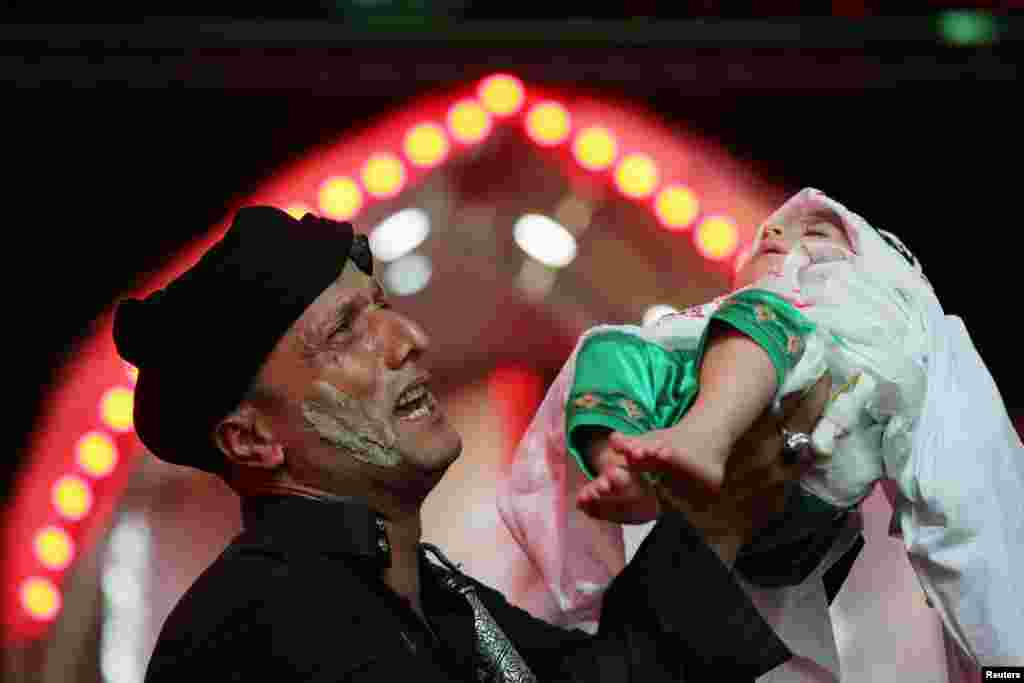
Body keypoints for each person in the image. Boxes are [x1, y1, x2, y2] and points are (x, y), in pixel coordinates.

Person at [112, 206, 831, 683]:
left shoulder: (430, 590)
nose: (410, 341)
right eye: (344, 331)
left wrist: (732, 496)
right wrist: (714, 521)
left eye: (383, 309)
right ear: (251, 437)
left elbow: (605, 673)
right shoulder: (256, 627)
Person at [497, 188, 1024, 680]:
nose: (774, 237)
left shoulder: (882, 335)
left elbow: (965, 497)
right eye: (768, 234)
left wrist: (1008, 661)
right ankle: (621, 467)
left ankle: (704, 436)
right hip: (688, 494)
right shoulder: (703, 326)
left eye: (816, 234)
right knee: (607, 344)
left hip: (795, 510)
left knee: (766, 312)